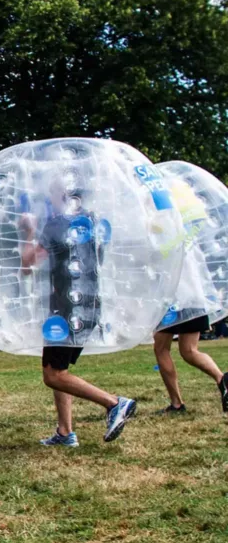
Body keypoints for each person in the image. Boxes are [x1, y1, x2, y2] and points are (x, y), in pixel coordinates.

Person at [20, 175, 136, 447]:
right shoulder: (93, 222)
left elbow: (27, 265)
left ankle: (114, 403)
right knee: (59, 370)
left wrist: (28, 231)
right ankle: (65, 432)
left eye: (52, 193)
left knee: (53, 375)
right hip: (89, 306)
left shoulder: (58, 223)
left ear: (63, 195)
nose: (49, 199)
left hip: (65, 309)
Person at [154, 315, 228, 414]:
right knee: (189, 351)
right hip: (193, 305)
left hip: (171, 308)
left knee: (161, 349)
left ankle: (177, 404)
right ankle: (223, 380)